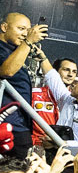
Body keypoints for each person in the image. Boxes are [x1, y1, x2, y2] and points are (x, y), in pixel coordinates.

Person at [0, 13, 46, 152]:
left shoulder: (12, 51)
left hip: (19, 124)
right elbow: (7, 71)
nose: (25, 34)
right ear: (4, 27)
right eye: (21, 29)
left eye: (27, 31)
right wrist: (28, 42)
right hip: (8, 125)